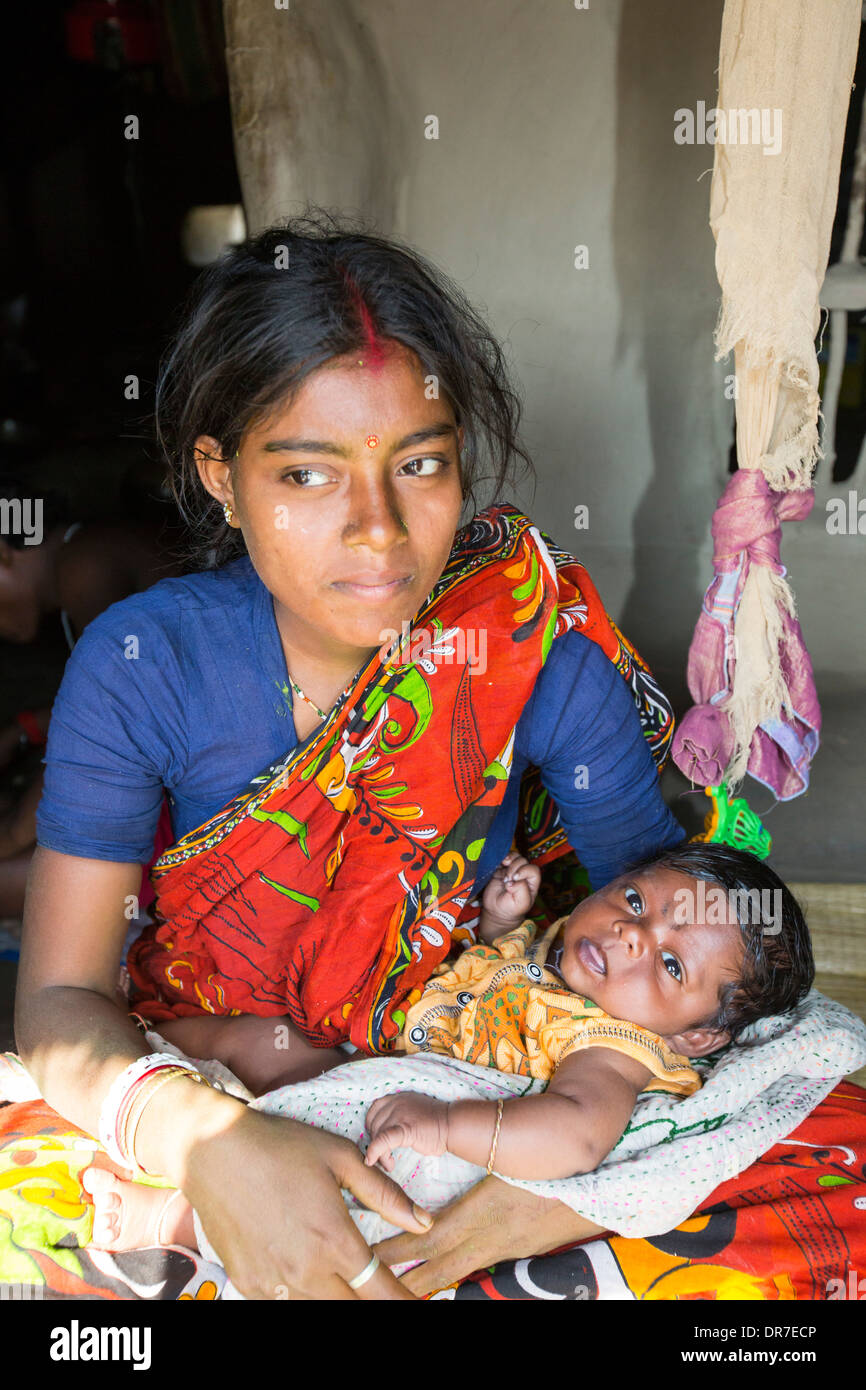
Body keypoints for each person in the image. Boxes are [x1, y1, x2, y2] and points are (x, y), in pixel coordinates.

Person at [11, 207, 685, 1301]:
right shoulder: (146, 663)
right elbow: (56, 1001)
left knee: (821, 1168)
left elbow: (674, 959)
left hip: (461, 1087)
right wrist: (214, 1146)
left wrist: (557, 1170)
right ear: (221, 477)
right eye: (310, 476)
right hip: (199, 1075)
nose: (378, 530)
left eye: (418, 463)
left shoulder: (532, 651)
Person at [79, 839, 814, 1288]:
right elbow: (497, 980)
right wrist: (498, 925)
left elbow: (574, 1134)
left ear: (692, 1039)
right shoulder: (565, 954)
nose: (629, 935)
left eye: (670, 966)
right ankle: (145, 1044)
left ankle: (166, 1218)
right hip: (387, 1058)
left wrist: (447, 1125)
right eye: (635, 900)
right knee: (259, 1035)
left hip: (422, 1119)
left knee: (342, 1183)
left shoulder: (614, 1047)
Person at [0, 484, 183, 916]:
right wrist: (21, 731)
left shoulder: (84, 566)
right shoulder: (86, 560)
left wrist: (11, 834)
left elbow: (105, 731)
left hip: (203, 810)